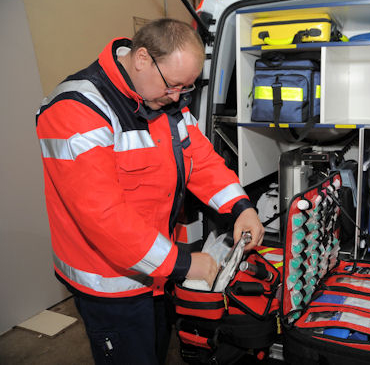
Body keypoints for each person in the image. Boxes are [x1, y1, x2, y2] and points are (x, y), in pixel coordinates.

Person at [35, 18, 264, 364]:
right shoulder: (76, 112)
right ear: (142, 58)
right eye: (173, 85)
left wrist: (240, 206)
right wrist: (184, 263)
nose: (177, 96)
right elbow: (105, 219)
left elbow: (199, 160)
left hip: (157, 274)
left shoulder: (163, 99)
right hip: (110, 287)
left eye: (185, 88)